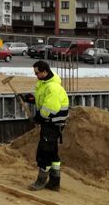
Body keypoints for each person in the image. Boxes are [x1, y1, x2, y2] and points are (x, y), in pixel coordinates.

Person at [19, 60, 69, 192]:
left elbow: (49, 108)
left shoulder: (53, 87)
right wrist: (30, 98)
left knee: (44, 152)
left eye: (37, 73)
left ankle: (40, 182)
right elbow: (42, 99)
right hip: (50, 122)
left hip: (52, 123)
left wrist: (38, 118)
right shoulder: (43, 83)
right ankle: (54, 183)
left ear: (45, 71)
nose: (35, 75)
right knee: (53, 154)